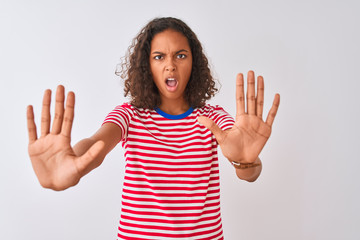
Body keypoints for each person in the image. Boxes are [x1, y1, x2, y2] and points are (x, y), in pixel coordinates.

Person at [26, 17, 280, 240]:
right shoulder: (129, 115)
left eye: (181, 55)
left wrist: (246, 162)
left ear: (194, 63)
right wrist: (73, 160)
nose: (170, 65)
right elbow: (96, 144)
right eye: (159, 57)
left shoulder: (213, 118)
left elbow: (248, 170)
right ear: (147, 66)